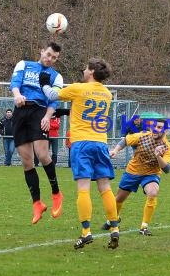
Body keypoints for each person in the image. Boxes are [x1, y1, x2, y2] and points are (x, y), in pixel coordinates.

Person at [40, 58, 120, 249]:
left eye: (85, 68)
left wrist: (43, 83)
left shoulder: (78, 88)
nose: (83, 71)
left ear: (91, 71)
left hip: (81, 143)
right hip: (100, 142)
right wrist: (66, 112)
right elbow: (84, 109)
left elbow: (52, 94)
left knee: (83, 188)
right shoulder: (107, 94)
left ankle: (86, 232)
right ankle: (114, 228)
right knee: (105, 187)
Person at [10, 41, 64, 224]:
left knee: (42, 155)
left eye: (54, 58)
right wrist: (17, 95)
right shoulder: (24, 64)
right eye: (48, 55)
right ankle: (37, 203)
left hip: (39, 112)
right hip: (21, 111)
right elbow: (15, 83)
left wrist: (48, 117)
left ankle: (56, 193)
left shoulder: (56, 77)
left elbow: (54, 101)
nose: (50, 59)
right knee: (27, 162)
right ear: (42, 51)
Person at [102, 118, 170, 236]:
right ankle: (113, 220)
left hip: (151, 174)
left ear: (165, 130)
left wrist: (158, 156)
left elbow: (167, 169)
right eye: (154, 126)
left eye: (159, 127)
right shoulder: (143, 136)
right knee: (118, 199)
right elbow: (125, 140)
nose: (156, 129)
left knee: (153, 192)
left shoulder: (167, 146)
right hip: (133, 171)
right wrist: (115, 150)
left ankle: (144, 227)